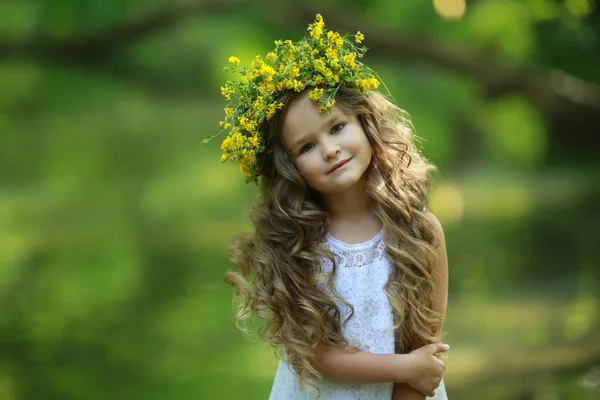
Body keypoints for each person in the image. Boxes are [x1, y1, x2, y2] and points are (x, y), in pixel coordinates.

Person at [210, 14, 450, 400]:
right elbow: (313, 352)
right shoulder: (296, 246)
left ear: (365, 121)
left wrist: (410, 374)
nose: (330, 149)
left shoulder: (419, 232)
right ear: (290, 166)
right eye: (306, 146)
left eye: (337, 126)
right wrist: (402, 366)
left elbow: (424, 356)